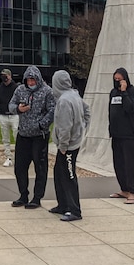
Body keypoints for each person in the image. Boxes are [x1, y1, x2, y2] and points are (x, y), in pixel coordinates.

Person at [8, 66, 55, 209]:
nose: (30, 81)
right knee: (20, 168)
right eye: (28, 79)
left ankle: (37, 197)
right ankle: (23, 195)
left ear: (38, 79)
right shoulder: (20, 89)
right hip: (23, 134)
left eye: (33, 79)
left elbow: (52, 110)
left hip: (39, 136)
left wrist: (42, 125)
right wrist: (18, 109)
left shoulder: (47, 91)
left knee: (40, 168)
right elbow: (11, 104)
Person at [50, 70, 90, 222]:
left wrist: (63, 145)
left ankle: (74, 210)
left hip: (68, 146)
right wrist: (83, 126)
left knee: (68, 176)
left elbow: (65, 126)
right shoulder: (74, 95)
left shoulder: (65, 101)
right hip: (72, 142)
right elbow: (87, 110)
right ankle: (63, 205)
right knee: (59, 174)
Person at [109, 68, 134, 204]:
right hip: (116, 134)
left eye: (120, 79)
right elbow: (110, 111)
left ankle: (133, 192)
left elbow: (131, 108)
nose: (118, 82)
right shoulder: (112, 92)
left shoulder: (133, 92)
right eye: (115, 79)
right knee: (119, 163)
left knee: (129, 164)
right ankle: (124, 189)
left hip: (128, 133)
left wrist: (124, 92)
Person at [0, 69, 20, 167]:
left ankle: (19, 157)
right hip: (3, 116)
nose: (3, 77)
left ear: (9, 76)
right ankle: (8, 157)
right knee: (5, 138)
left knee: (17, 136)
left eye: (5, 75)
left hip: (14, 116)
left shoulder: (16, 88)